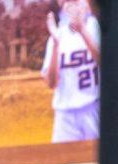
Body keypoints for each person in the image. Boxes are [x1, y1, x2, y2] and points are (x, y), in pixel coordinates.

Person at [40, 0, 101, 143]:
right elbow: (51, 83)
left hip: (93, 108)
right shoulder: (57, 33)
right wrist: (55, 43)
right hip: (65, 115)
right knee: (60, 162)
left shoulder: (96, 25)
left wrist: (82, 31)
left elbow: (110, 65)